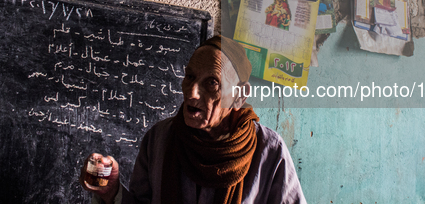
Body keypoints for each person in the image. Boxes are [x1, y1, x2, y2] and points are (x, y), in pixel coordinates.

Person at [80, 35, 306, 204]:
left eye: (211, 82)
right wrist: (111, 192)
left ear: (238, 96)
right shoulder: (160, 139)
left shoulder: (269, 150)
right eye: (190, 77)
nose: (192, 93)